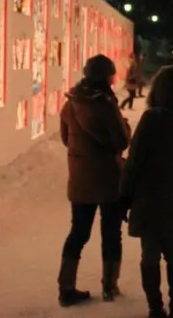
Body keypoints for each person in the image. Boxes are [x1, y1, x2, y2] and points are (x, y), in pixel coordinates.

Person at [121, 66, 173, 318]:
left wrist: (124, 196)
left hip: (147, 195)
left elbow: (134, 161)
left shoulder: (151, 119)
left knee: (149, 253)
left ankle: (155, 309)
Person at [57, 55, 131, 306]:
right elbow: (121, 141)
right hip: (108, 177)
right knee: (111, 232)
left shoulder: (71, 103)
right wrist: (126, 127)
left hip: (80, 177)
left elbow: (66, 138)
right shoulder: (106, 104)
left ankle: (66, 287)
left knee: (78, 232)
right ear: (105, 77)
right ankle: (110, 286)